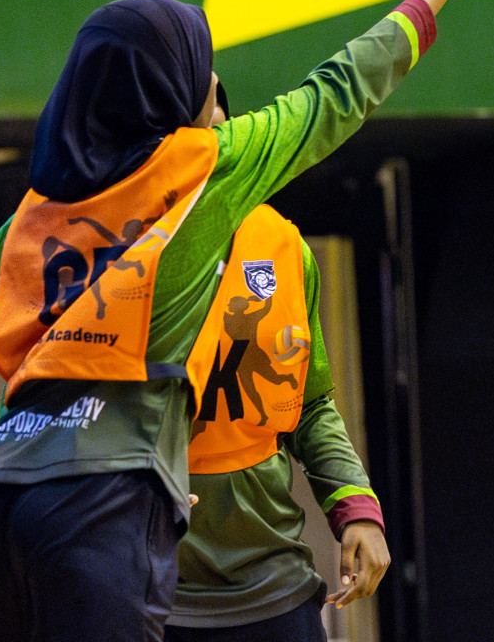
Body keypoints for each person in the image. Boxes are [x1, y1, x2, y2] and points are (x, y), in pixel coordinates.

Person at [0, 0, 494, 642]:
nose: (222, 114)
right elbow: (343, 88)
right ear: (184, 110)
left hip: (3, 499)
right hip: (113, 521)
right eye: (206, 88)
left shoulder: (38, 215)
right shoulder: (208, 172)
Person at [164, 81, 388, 642]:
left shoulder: (283, 246)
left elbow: (309, 404)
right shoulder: (116, 245)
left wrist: (355, 505)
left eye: (219, 128)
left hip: (273, 585)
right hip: (146, 589)